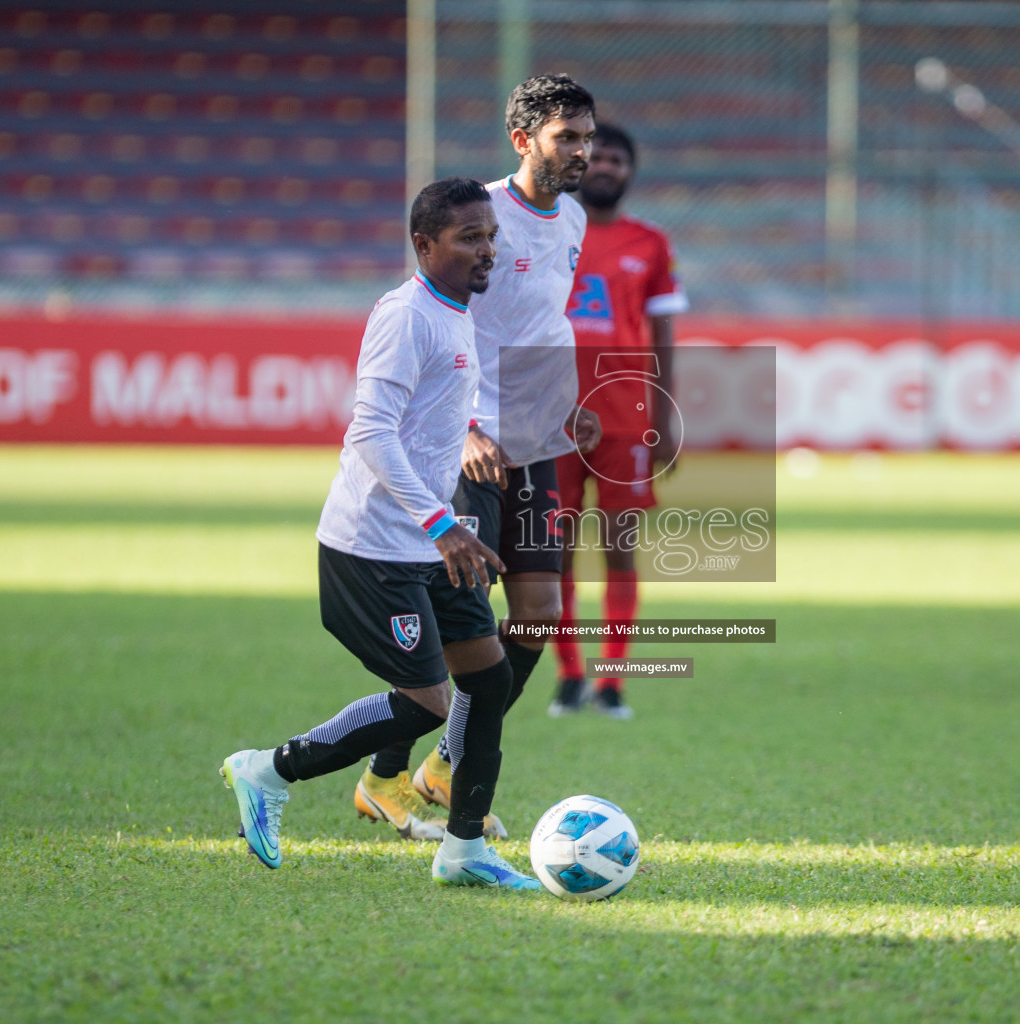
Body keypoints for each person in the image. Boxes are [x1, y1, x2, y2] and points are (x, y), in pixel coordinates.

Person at [219, 177, 541, 889]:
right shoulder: (406, 316)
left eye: (491, 236)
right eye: (468, 238)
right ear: (424, 245)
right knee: (429, 700)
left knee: (486, 682)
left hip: (430, 541)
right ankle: (267, 769)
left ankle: (463, 853)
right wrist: (441, 523)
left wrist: (453, 509)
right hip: (371, 549)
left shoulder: (459, 312)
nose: (487, 250)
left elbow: (433, 423)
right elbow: (370, 430)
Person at [354, 74, 600, 839]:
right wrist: (461, 428)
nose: (584, 152)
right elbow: (437, 317)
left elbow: (536, 326)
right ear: (524, 140)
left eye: (589, 137)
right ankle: (385, 776)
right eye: (569, 138)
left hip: (537, 440)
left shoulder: (575, 219)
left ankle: (447, 763)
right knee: (466, 625)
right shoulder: (479, 217)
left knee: (537, 617)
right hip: (473, 447)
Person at [550, 124, 688, 719]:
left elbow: (664, 338)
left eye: (615, 158)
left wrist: (668, 418)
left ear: (630, 171)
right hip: (549, 419)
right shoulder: (548, 233)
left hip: (625, 419)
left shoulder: (650, 243)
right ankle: (569, 676)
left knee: (619, 549)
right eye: (595, 155)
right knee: (549, 551)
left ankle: (612, 680)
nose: (604, 165)